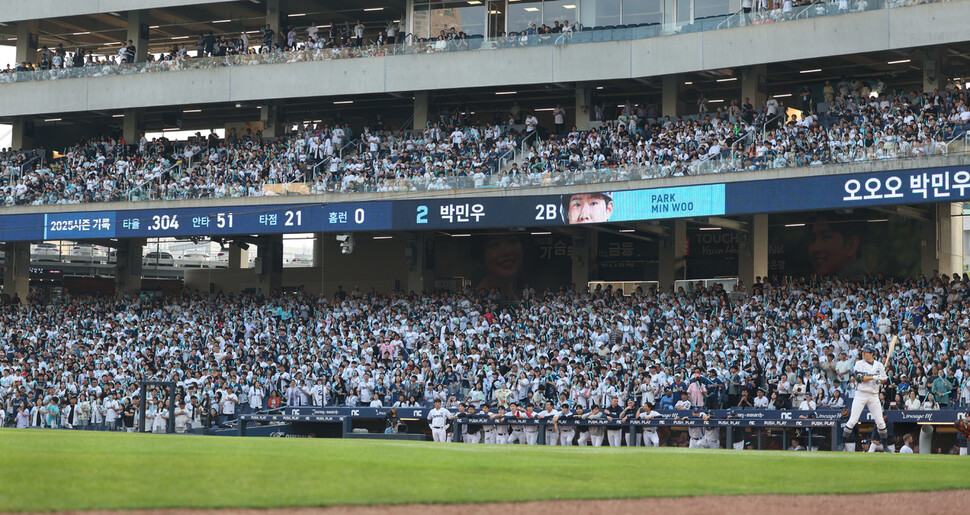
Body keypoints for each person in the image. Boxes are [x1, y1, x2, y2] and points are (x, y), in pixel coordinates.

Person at [842, 344, 889, 452]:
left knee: (880, 422)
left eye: (866, 352)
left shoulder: (879, 365)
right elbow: (859, 378)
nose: (863, 353)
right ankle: (842, 443)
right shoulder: (859, 363)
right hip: (861, 394)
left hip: (873, 395)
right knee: (853, 420)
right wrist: (874, 377)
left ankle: (885, 445)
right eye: (863, 352)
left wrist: (881, 379)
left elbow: (884, 379)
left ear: (872, 353)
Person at [808, 213, 868, 280]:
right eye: (812, 239)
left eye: (826, 237)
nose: (816, 248)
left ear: (852, 245)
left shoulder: (859, 282)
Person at [474, 234, 524, 302]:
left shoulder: (515, 296)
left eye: (513, 241)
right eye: (494, 244)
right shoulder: (479, 295)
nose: (507, 251)